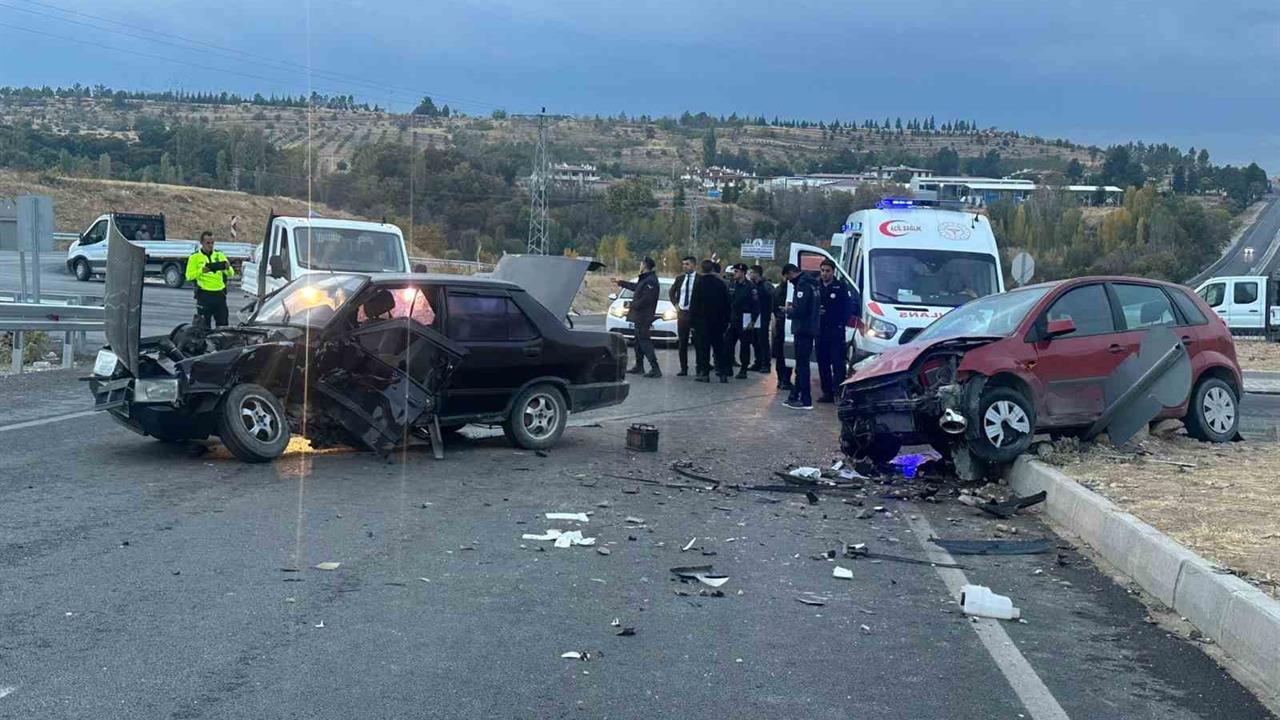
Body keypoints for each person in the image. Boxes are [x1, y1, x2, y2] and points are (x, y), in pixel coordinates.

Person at [816, 258, 856, 403]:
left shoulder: (841, 286)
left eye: (827, 271)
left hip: (836, 330)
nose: (824, 274)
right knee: (823, 364)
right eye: (822, 271)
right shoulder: (816, 286)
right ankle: (827, 393)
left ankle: (839, 392)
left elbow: (848, 307)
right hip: (820, 331)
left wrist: (841, 323)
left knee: (838, 364)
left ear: (833, 272)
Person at [614, 256, 661, 378]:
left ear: (645, 265)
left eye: (640, 264)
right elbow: (636, 288)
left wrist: (632, 304)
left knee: (645, 341)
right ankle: (639, 366)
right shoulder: (644, 279)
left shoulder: (651, 281)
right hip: (639, 316)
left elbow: (646, 299)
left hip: (644, 316)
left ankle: (655, 368)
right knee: (638, 342)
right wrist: (621, 282)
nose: (639, 266)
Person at [689, 258, 731, 383]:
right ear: (712, 269)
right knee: (719, 348)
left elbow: (694, 304)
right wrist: (727, 320)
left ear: (701, 269)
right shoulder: (721, 284)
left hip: (702, 323)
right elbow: (727, 303)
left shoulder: (699, 283)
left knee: (704, 349)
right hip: (718, 322)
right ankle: (722, 374)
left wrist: (692, 322)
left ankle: (705, 374)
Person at [784, 263, 819, 409]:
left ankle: (805, 400)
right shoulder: (813, 284)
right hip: (810, 329)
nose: (788, 280)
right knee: (801, 365)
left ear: (792, 272)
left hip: (803, 329)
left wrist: (788, 311)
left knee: (802, 366)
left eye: (788, 277)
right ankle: (795, 395)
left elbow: (801, 310)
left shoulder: (803, 286)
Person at [185, 231, 235, 329]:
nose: (210, 245)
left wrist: (227, 267)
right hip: (204, 295)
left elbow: (231, 274)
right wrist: (201, 271)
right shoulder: (194, 257)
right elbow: (188, 276)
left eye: (212, 243)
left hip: (219, 295)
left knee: (223, 326)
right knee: (203, 327)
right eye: (208, 243)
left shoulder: (219, 255)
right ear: (202, 243)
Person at [725, 263, 757, 379]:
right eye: (734, 271)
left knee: (744, 345)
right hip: (733, 317)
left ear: (743, 272)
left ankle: (743, 369)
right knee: (728, 344)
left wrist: (753, 321)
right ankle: (728, 368)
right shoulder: (732, 285)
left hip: (745, 317)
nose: (734, 274)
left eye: (736, 271)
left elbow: (755, 305)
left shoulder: (751, 287)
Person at [668, 256, 698, 377]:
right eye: (683, 264)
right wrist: (676, 305)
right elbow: (671, 292)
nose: (684, 266)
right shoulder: (680, 279)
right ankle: (683, 368)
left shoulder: (699, 279)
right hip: (682, 314)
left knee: (698, 342)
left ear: (694, 265)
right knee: (682, 342)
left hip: (695, 314)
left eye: (687, 264)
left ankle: (700, 367)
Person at [770, 269, 793, 392]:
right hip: (784, 324)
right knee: (785, 354)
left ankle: (781, 380)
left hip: (779, 324)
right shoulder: (787, 291)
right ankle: (785, 380)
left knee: (780, 354)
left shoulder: (778, 289)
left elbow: (773, 308)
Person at [749, 265, 772, 373]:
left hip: (763, 315)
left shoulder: (766, 285)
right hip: (754, 316)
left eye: (751, 272)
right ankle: (758, 362)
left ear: (757, 273)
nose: (750, 274)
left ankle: (765, 364)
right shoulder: (752, 285)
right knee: (754, 340)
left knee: (763, 341)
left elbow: (771, 297)